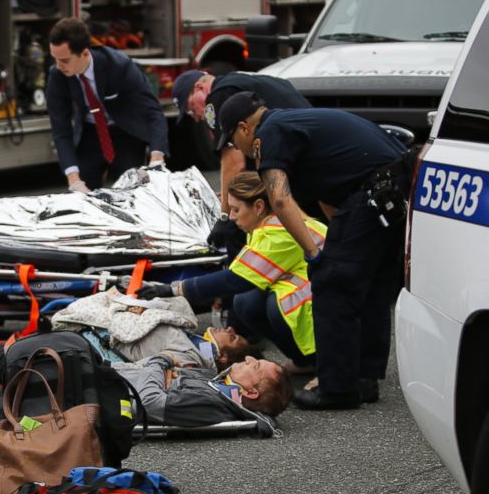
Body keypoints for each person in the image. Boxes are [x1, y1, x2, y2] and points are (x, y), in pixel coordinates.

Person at [213, 91, 412, 410]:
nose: (239, 149)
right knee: (373, 284)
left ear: (245, 128)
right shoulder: (297, 123)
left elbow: (278, 198)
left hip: (374, 193)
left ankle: (337, 389)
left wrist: (315, 254)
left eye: (235, 141)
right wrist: (339, 244)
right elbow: (329, 194)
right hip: (395, 189)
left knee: (332, 285)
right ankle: (363, 377)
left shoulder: (270, 134)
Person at [130, 171, 325, 374]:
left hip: (330, 290)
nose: (231, 217)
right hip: (313, 280)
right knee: (246, 302)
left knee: (276, 308)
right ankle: (303, 361)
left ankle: (321, 362)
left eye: (235, 210)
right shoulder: (268, 224)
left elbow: (236, 279)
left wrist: (174, 289)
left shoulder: (278, 232)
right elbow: (243, 272)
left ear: (258, 207)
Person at [0, 353, 292, 436]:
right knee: (10, 373)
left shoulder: (214, 402)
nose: (246, 360)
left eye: (254, 366)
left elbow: (152, 404)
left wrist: (158, 366)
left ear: (249, 392)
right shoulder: (215, 386)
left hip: (91, 407)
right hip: (95, 386)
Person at [0, 318, 262, 387]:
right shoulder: (192, 336)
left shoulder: (195, 360)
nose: (227, 330)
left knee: (8, 362)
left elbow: (145, 367)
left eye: (235, 341)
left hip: (96, 357)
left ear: (223, 358)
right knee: (9, 351)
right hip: (94, 340)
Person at [171, 69, 311, 255]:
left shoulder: (218, 96)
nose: (196, 117)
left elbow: (234, 163)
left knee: (236, 227)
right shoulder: (252, 80)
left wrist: (225, 215)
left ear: (200, 88)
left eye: (190, 108)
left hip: (295, 164)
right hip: (310, 155)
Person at [46, 17, 168, 192]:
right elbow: (60, 129)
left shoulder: (120, 65)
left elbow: (152, 112)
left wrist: (157, 157)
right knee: (80, 197)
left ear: (85, 54)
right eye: (55, 59)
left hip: (125, 132)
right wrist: (74, 179)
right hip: (90, 133)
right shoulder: (57, 75)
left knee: (133, 193)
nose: (58, 66)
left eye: (64, 60)